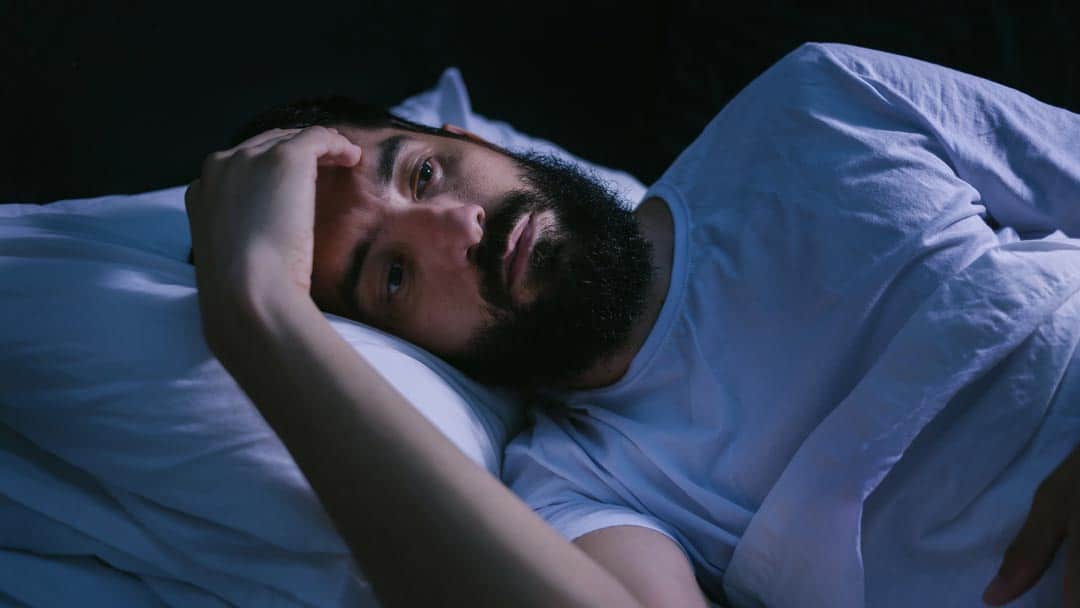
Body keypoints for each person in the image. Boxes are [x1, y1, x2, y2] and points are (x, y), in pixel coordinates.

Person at [184, 42, 1080, 607]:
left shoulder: (817, 106)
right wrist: (259, 316)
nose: (461, 228)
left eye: (421, 174)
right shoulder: (577, 488)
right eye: (392, 276)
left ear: (471, 141)